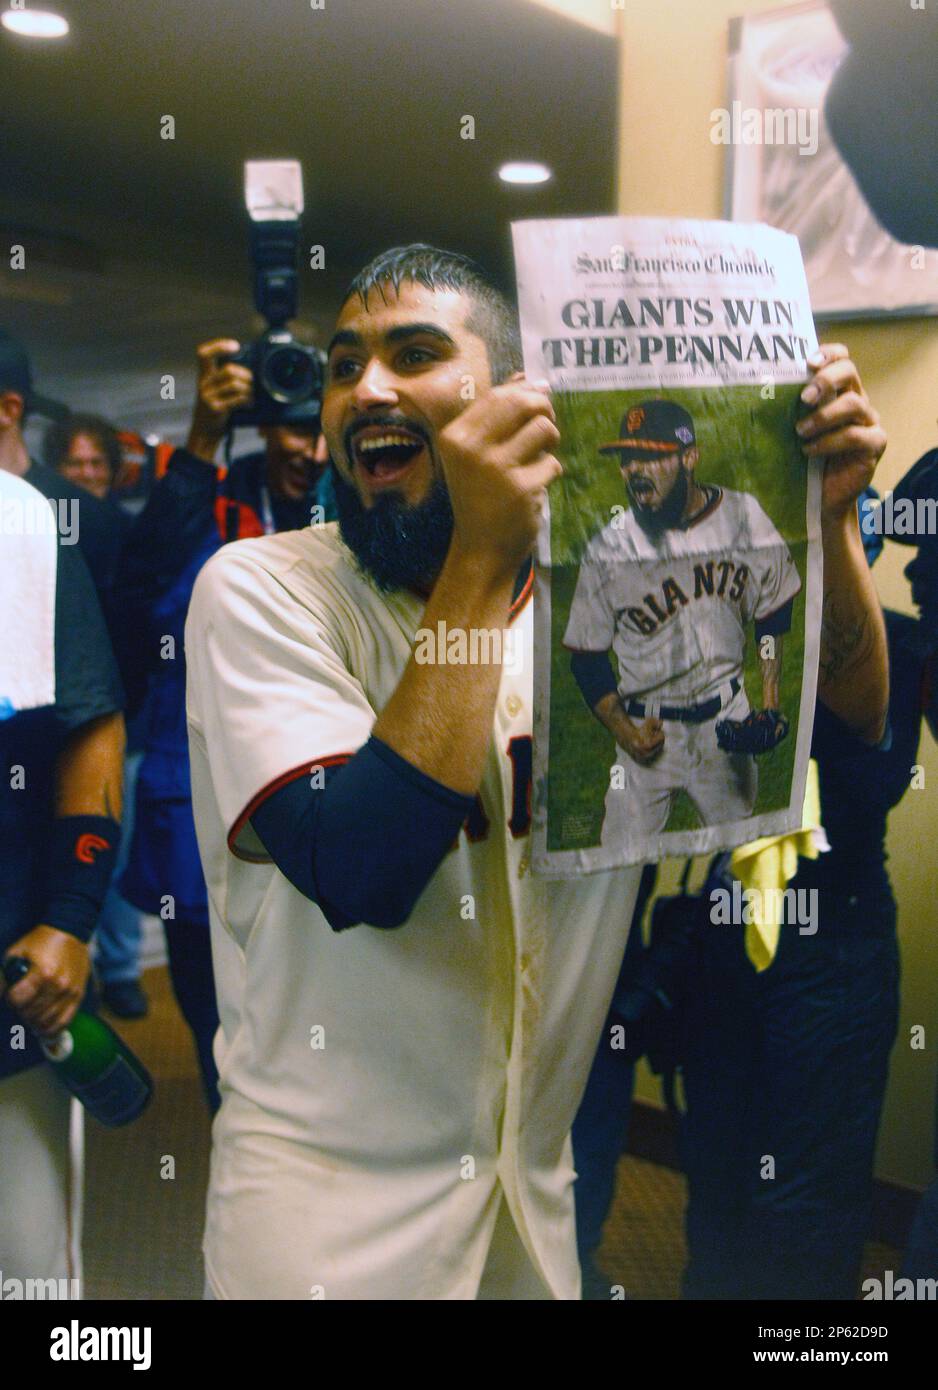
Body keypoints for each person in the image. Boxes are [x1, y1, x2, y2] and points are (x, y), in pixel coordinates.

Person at [184, 242, 887, 1300]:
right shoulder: (258, 590)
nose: (365, 387)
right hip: (326, 1213)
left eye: (412, 353)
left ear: (518, 395)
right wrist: (481, 548)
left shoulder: (602, 575)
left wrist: (825, 519)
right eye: (342, 365)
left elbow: (853, 729)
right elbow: (362, 863)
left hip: (535, 1187)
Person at [115, 337, 335, 1108]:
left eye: (321, 431)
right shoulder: (211, 494)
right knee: (208, 981)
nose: (307, 451)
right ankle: (227, 1105)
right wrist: (202, 435)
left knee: (317, 976)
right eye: (290, 430)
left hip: (322, 777)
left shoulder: (353, 500)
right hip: (197, 779)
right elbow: (138, 583)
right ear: (263, 426)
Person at [564, 400, 800, 845]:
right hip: (645, 735)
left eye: (650, 456)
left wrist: (768, 703)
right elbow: (587, 659)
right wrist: (626, 734)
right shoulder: (608, 549)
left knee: (739, 864)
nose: (634, 469)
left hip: (727, 723)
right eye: (627, 459)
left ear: (690, 456)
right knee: (615, 873)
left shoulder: (743, 516)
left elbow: (773, 615)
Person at [0, 464, 125, 1291]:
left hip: (8, 978)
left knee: (27, 1267)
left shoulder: (20, 521)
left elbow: (89, 719)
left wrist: (71, 918)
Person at [45, 411, 148, 1019]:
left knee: (114, 848)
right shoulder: (38, 533)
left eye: (96, 464)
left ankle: (121, 968)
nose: (86, 475)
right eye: (74, 464)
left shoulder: (126, 543)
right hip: (56, 728)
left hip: (124, 722)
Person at [44, 412, 124, 502]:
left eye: (97, 463)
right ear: (56, 468)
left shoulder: (127, 513)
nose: (88, 474)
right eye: (75, 464)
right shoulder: (45, 513)